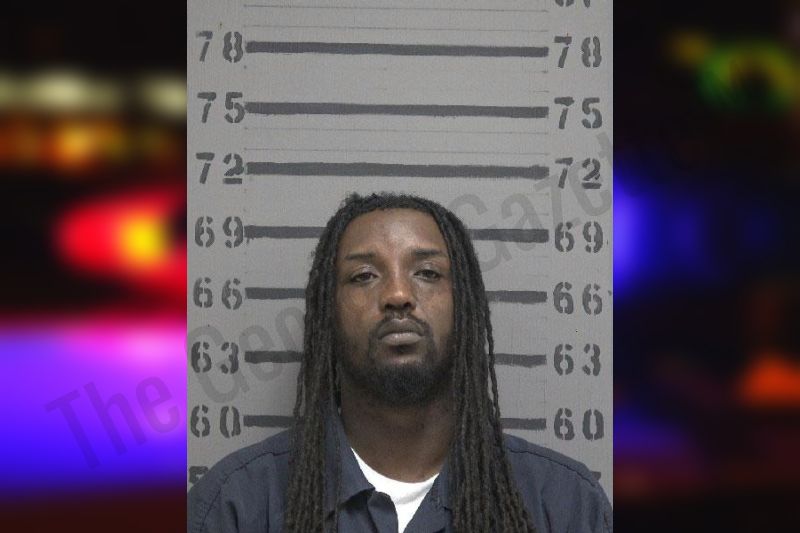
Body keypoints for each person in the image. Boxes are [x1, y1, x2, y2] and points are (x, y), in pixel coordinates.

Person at [188, 192, 613, 532]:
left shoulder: (564, 504)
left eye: (427, 273)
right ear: (327, 314)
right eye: (363, 276)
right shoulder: (236, 504)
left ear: (464, 305)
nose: (397, 295)